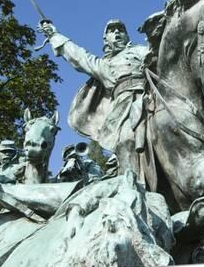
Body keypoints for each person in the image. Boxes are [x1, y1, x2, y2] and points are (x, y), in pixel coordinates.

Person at [40, 20, 155, 187]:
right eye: (112, 31)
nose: (117, 33)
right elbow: (79, 56)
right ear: (105, 38)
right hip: (125, 108)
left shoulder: (142, 50)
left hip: (152, 96)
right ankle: (135, 187)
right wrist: (54, 35)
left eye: (121, 30)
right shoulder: (103, 65)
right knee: (126, 140)